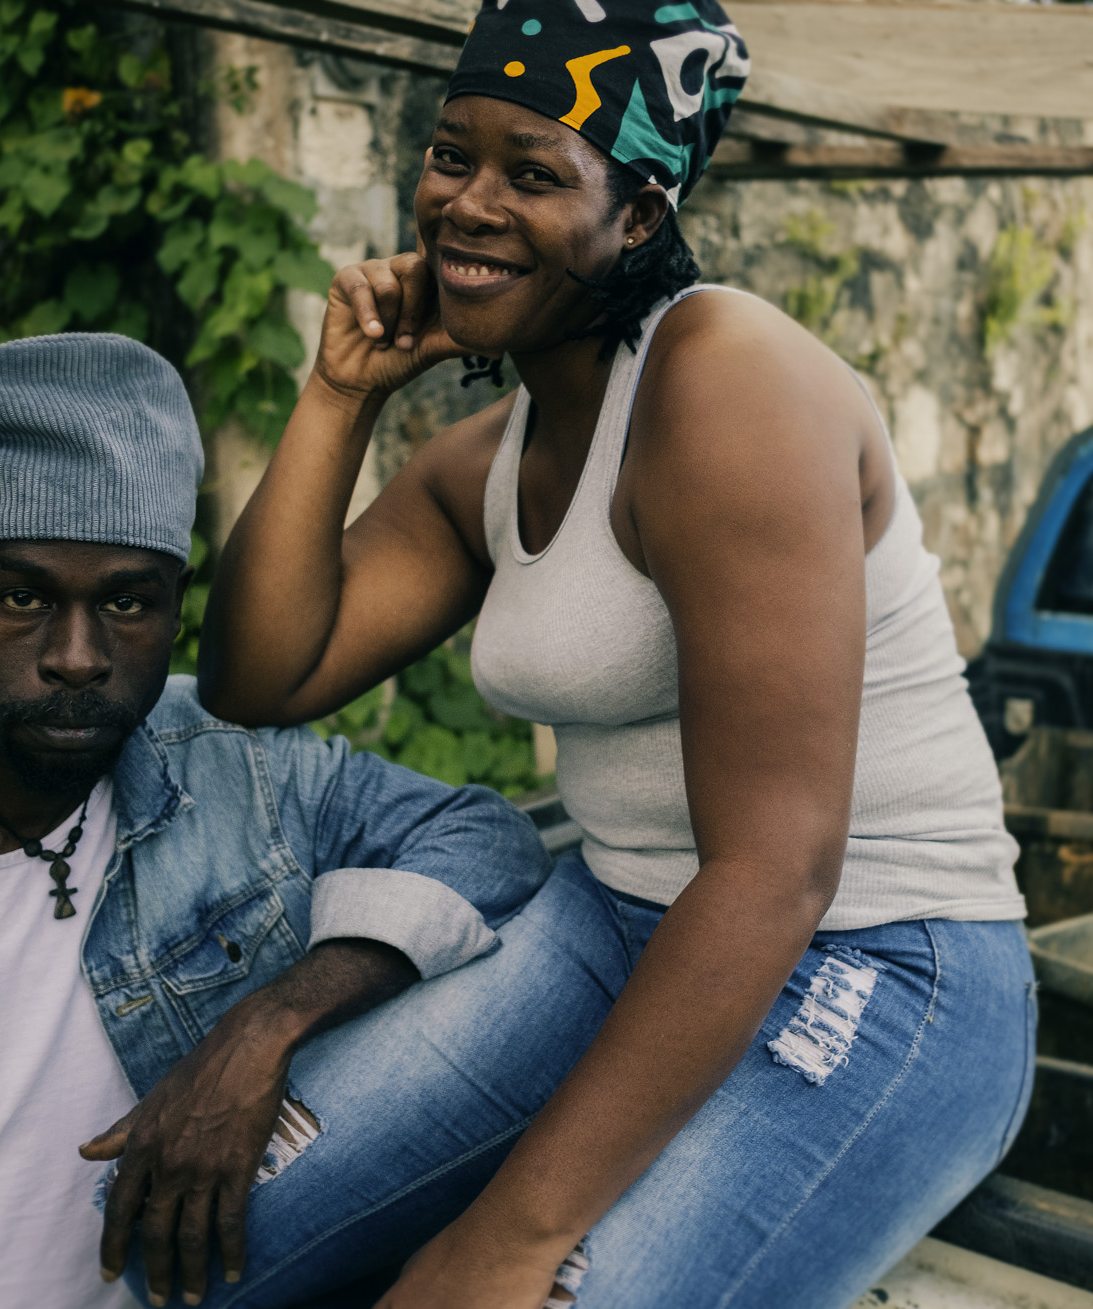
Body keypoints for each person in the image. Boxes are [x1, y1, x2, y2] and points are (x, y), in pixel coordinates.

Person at [98, 3, 1039, 1307]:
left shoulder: (727, 381)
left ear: (640, 214)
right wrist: (342, 392)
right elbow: (266, 676)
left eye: (533, 173)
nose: (467, 205)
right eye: (452, 157)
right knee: (172, 1235)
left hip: (879, 965)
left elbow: (777, 873)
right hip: (614, 927)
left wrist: (508, 1235)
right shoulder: (492, 456)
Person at [0, 333, 551, 1309]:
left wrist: (265, 1027)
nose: (79, 656)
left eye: (129, 602)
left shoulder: (241, 765)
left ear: (179, 603)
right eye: (22, 597)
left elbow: (490, 845)